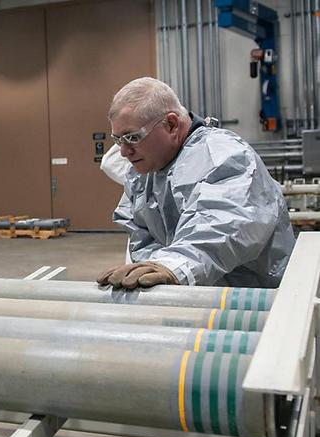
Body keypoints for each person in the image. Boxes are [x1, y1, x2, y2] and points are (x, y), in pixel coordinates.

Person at [97, 77, 294, 290]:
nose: (124, 152)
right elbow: (140, 232)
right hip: (196, 300)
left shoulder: (224, 155)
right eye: (118, 140)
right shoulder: (144, 174)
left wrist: (172, 266)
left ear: (171, 124)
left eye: (132, 138)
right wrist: (152, 270)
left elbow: (226, 225)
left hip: (254, 303)